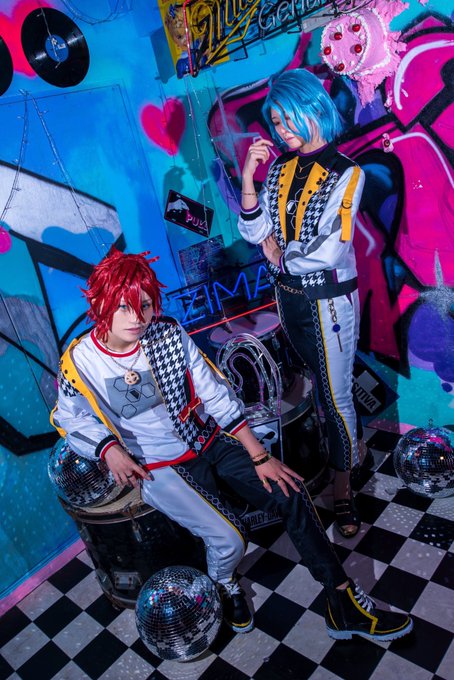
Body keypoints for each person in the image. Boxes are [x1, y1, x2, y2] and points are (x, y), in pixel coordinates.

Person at [51, 248, 412, 641]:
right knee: (230, 537)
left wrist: (259, 456)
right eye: (124, 306)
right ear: (100, 303)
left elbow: (213, 392)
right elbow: (69, 417)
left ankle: (341, 601)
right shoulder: (80, 361)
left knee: (289, 491)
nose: (137, 318)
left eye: (146, 305)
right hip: (157, 467)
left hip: (206, 441)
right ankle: (224, 583)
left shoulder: (167, 333)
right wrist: (109, 449)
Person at [238, 68, 369, 538]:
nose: (281, 130)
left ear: (312, 108)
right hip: (289, 302)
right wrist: (248, 179)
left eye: (287, 119)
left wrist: (280, 254)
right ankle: (343, 457)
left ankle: (343, 489)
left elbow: (330, 248)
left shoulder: (346, 172)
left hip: (328, 304)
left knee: (336, 398)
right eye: (275, 122)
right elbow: (255, 230)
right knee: (317, 392)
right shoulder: (278, 169)